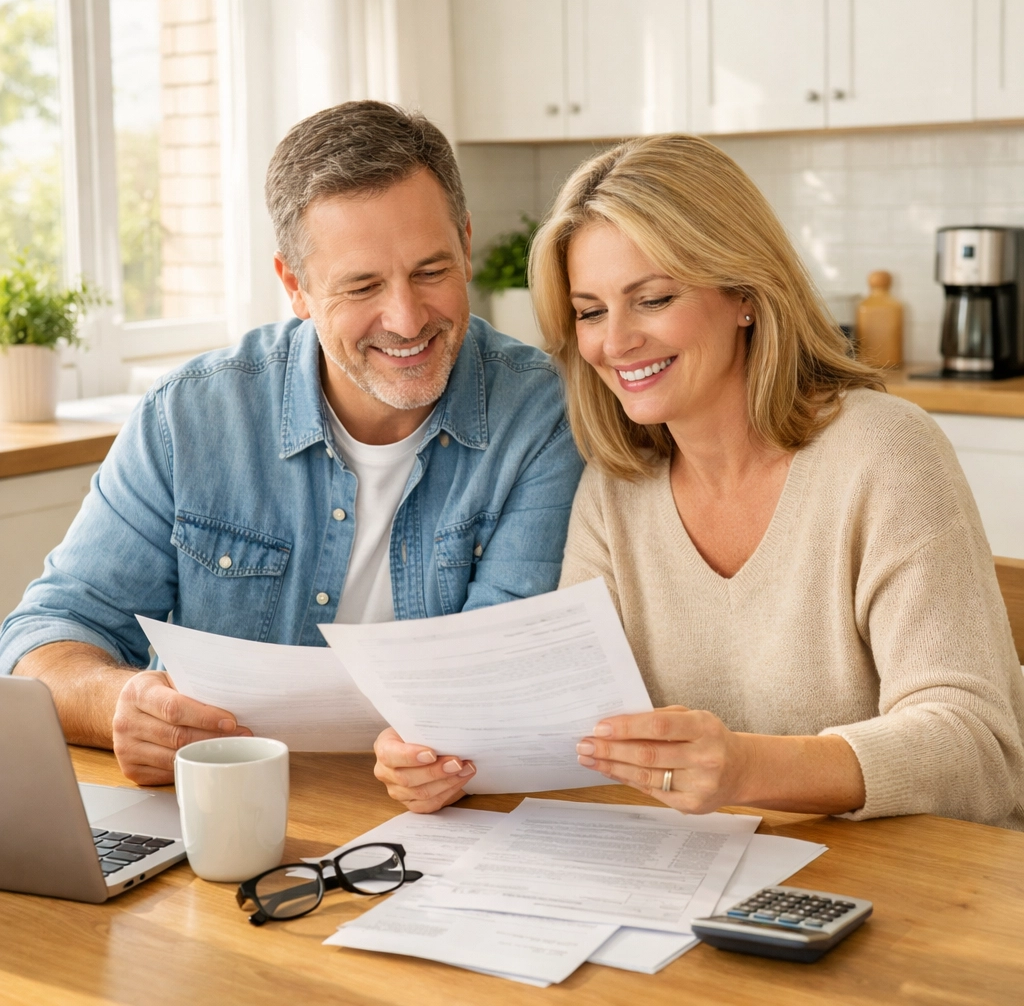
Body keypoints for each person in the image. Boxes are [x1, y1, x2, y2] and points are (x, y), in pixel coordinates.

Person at [0, 101, 583, 790]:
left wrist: (455, 744)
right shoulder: (189, 417)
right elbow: (46, 633)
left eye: (431, 270)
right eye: (362, 285)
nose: (407, 318)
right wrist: (117, 704)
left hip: (445, 824)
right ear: (294, 286)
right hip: (232, 811)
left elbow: (496, 681)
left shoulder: (545, 415)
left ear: (465, 240)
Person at [527, 133, 1024, 830]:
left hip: (917, 892)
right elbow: (567, 719)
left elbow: (979, 749)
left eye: (654, 298)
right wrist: (444, 753)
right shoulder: (616, 490)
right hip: (708, 881)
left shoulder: (883, 453)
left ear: (745, 296)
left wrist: (745, 768)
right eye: (590, 311)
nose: (615, 342)